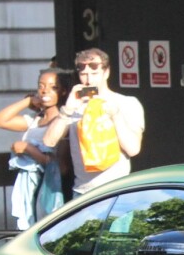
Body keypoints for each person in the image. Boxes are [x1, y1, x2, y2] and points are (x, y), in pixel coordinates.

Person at [42, 48, 145, 196]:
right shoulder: (75, 104)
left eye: (94, 74)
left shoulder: (126, 103)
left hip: (117, 192)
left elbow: (133, 149)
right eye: (83, 74)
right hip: (83, 193)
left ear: (106, 72)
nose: (89, 80)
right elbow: (49, 142)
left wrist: (115, 115)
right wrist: (67, 109)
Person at [0, 68, 64, 229]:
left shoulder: (62, 121)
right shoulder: (35, 119)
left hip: (49, 186)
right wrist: (28, 101)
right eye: (41, 86)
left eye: (53, 87)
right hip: (30, 184)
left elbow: (57, 163)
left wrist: (28, 148)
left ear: (62, 91)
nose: (45, 90)